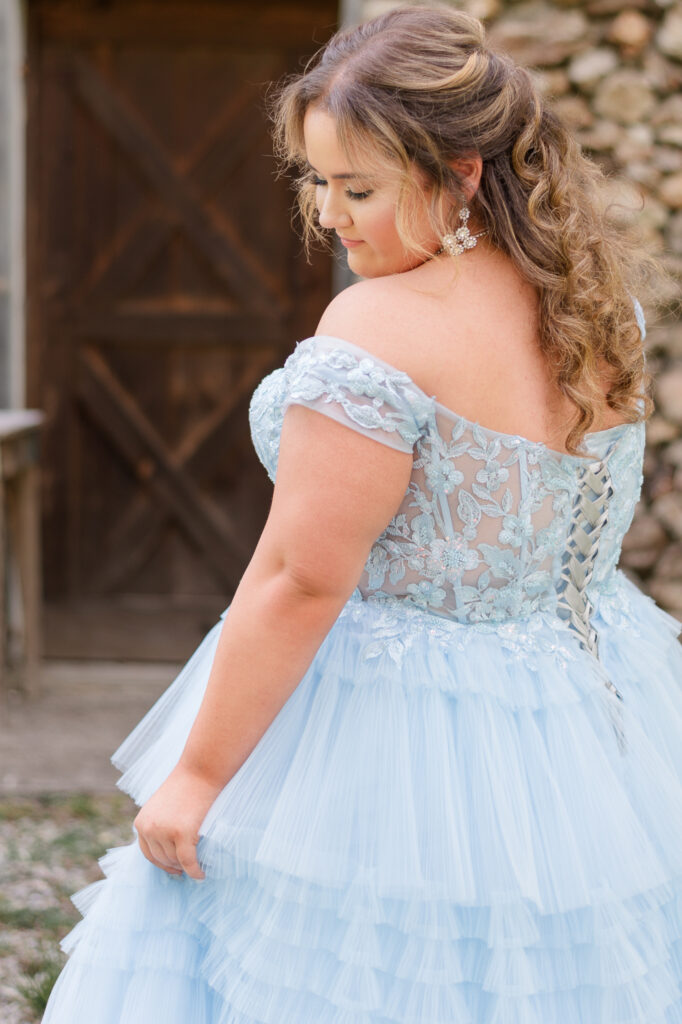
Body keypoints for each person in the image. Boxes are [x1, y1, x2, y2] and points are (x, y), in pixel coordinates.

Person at [43, 5, 682, 1022]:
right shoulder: (598, 308)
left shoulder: (380, 326)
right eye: (317, 181)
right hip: (581, 732)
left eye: (361, 188)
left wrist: (199, 776)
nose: (332, 216)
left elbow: (303, 576)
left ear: (461, 175)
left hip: (388, 729)